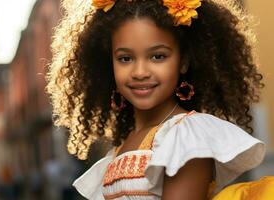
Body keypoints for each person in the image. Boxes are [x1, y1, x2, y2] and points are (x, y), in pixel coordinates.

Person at [45, 0, 274, 199]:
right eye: (125, 58)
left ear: (183, 62)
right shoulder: (123, 144)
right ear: (109, 64)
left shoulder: (187, 137)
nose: (140, 71)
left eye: (158, 56)